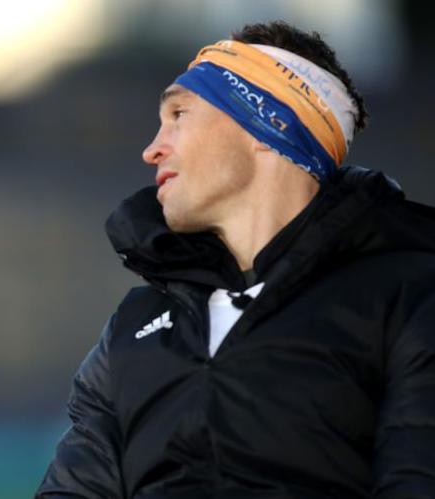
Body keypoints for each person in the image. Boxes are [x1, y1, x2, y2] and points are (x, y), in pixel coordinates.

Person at [37, 20, 435, 498]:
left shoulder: (409, 298)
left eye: (179, 115)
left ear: (267, 123)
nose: (151, 149)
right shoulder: (132, 328)